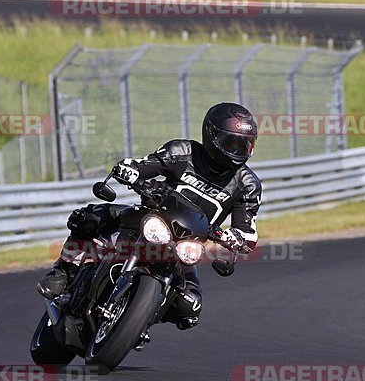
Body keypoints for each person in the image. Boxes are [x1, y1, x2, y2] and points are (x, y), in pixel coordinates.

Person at [37, 102, 262, 330]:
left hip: (184, 248)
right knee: (89, 218)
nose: (238, 151)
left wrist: (237, 237)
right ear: (211, 134)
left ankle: (138, 321)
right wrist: (131, 170)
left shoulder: (247, 184)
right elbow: (147, 165)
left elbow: (248, 231)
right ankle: (64, 271)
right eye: (231, 143)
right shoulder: (182, 151)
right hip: (149, 219)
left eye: (245, 145)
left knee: (189, 307)